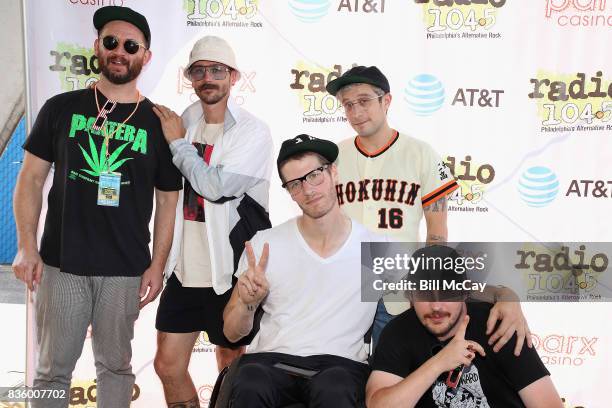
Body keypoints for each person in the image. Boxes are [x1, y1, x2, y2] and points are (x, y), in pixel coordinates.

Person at [12, 6, 182, 408]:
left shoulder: (160, 123)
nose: (119, 51)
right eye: (111, 42)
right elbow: (31, 179)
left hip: (125, 270)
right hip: (61, 263)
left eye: (130, 45)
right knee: (51, 370)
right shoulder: (61, 108)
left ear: (145, 56)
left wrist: (157, 264)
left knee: (116, 368)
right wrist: (26, 245)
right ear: (97, 47)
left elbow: (168, 199)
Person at [326, 66, 530, 351]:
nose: (356, 111)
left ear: (386, 101)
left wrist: (426, 284)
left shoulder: (421, 153)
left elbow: (437, 232)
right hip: (345, 286)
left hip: (397, 288)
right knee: (343, 373)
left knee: (392, 373)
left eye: (364, 101)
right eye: (348, 105)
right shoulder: (334, 157)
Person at [151, 36, 273, 408]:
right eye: (199, 70)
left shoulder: (253, 131)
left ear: (233, 77)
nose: (209, 78)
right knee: (168, 365)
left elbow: (215, 187)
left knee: (232, 365)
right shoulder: (184, 120)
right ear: (189, 76)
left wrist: (177, 144)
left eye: (218, 70)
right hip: (186, 270)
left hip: (230, 269)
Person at [223, 135, 385, 407]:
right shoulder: (265, 244)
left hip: (340, 366)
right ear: (288, 191)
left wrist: (484, 307)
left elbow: (438, 285)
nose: (308, 190)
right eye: (295, 184)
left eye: (314, 176)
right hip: (270, 362)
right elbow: (231, 333)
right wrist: (248, 305)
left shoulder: (376, 247)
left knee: (335, 388)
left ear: (333, 172)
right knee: (250, 380)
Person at [366, 245, 564, 408]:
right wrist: (438, 363)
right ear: (410, 296)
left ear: (464, 293)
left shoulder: (498, 325)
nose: (436, 306)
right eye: (425, 294)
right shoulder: (398, 332)